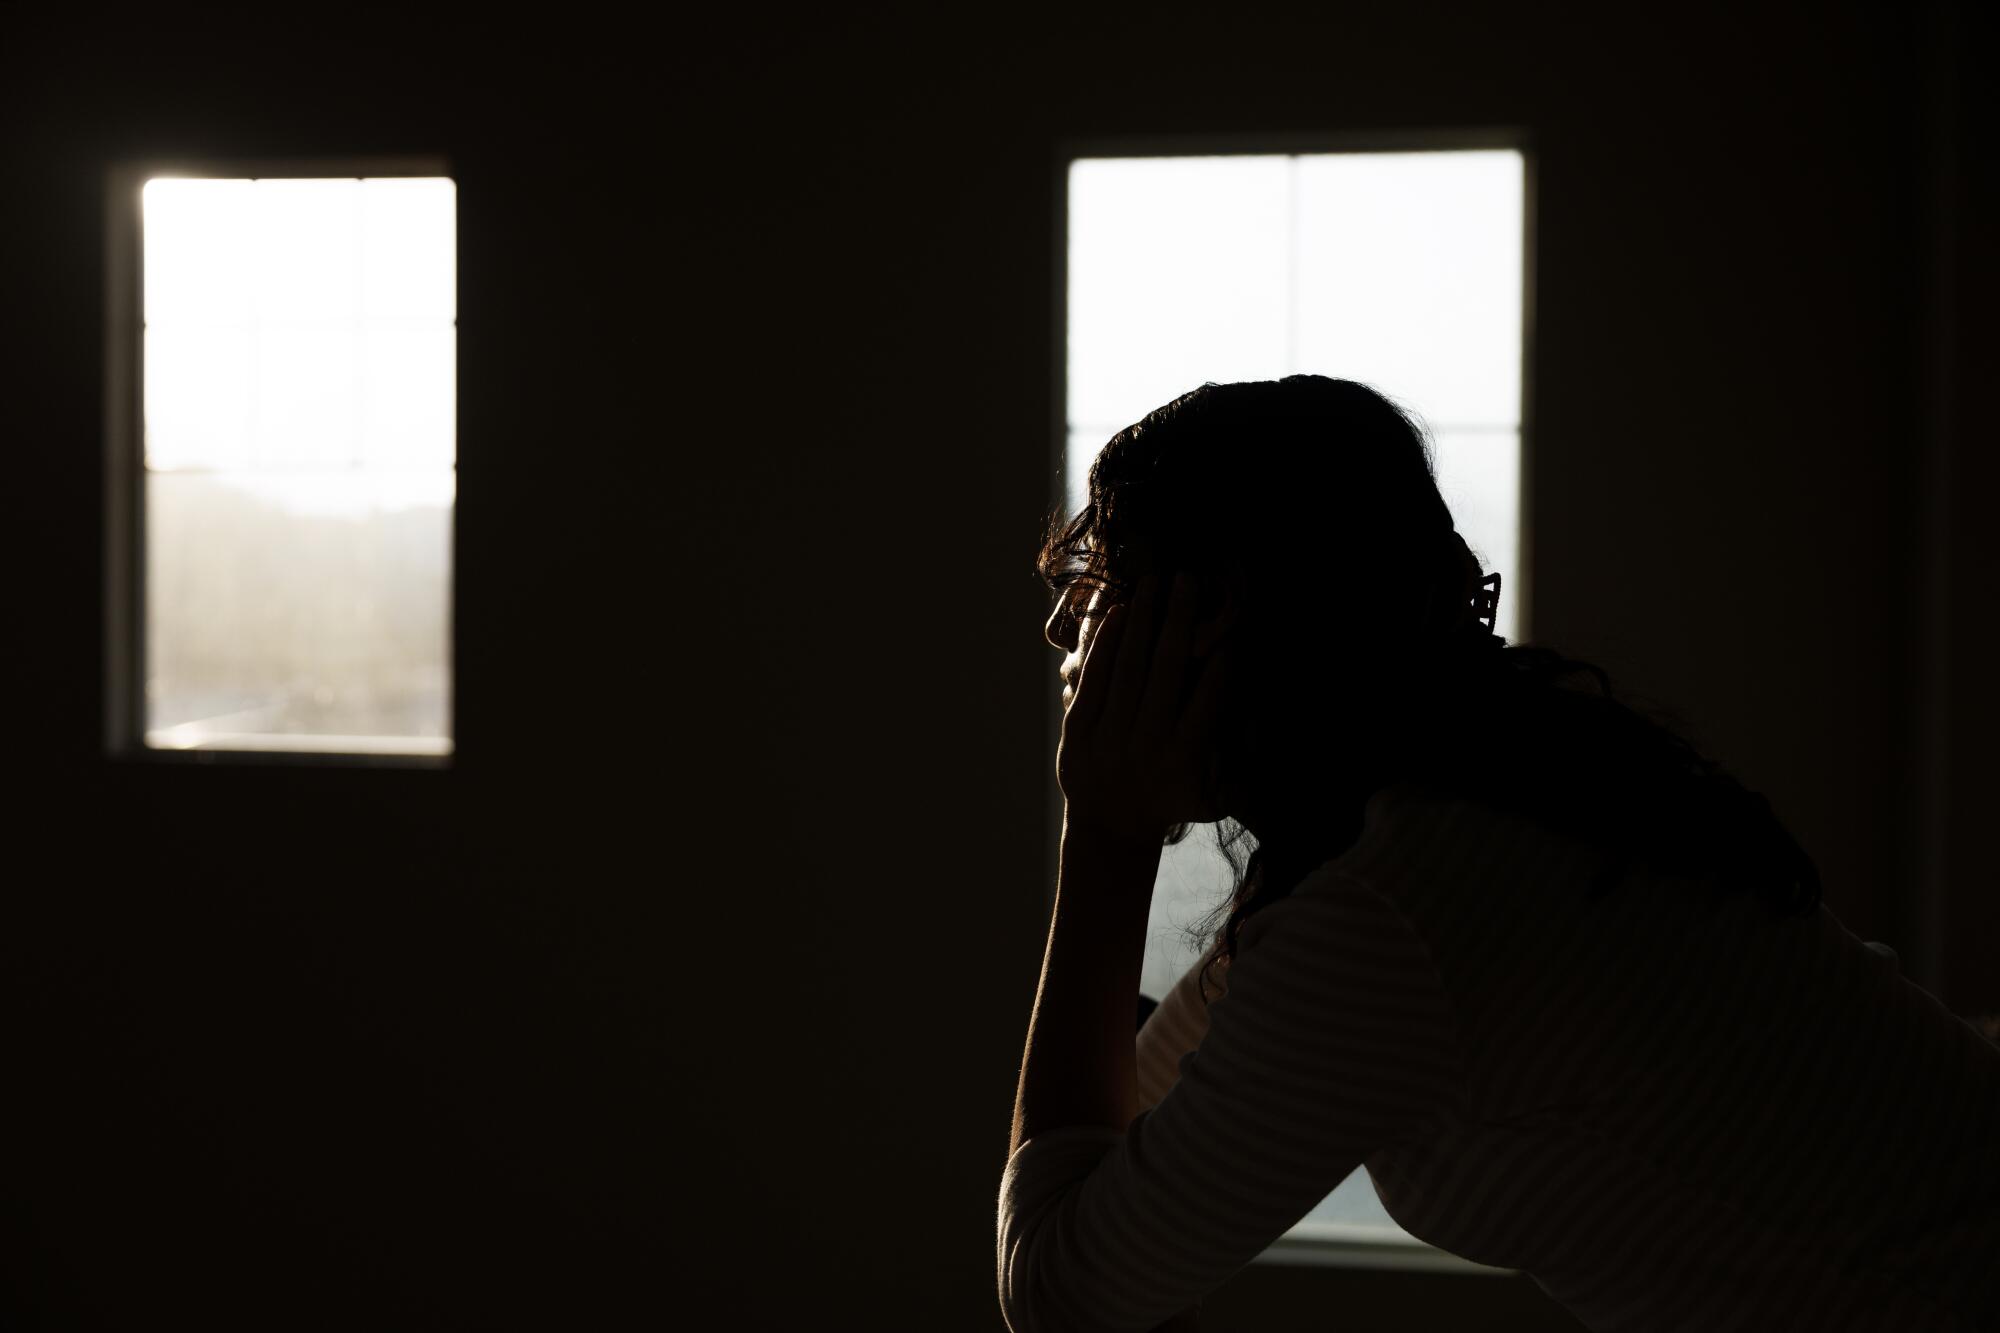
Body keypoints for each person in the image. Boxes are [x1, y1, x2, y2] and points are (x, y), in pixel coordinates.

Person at [996, 376, 2000, 1333]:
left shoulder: (1393, 907)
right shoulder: (1462, 806)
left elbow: (1058, 1291)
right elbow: (1135, 1116)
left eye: (1107, 583)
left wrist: (1105, 833)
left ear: (1211, 619)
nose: (1063, 627)